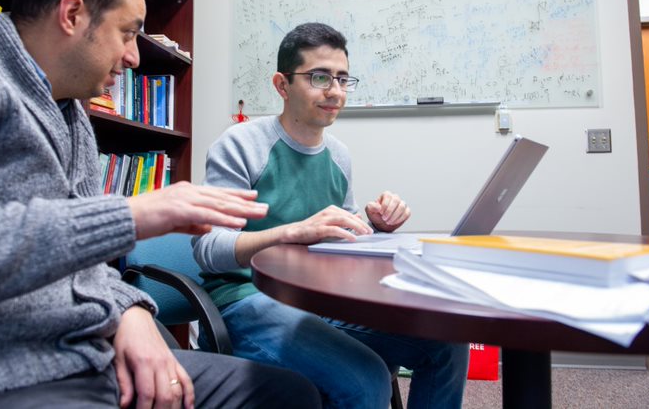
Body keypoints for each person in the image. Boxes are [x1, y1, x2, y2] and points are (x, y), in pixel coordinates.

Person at [0, 0, 322, 409]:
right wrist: (127, 215)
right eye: (128, 33)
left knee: (287, 393)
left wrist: (131, 311)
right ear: (72, 14)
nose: (135, 56)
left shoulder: (71, 113)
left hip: (81, 351)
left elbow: (83, 262)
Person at [194, 22, 470, 408]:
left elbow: (342, 245)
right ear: (282, 84)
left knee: (447, 345)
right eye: (319, 77)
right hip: (245, 301)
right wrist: (292, 232)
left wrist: (375, 226)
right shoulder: (241, 144)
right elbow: (208, 247)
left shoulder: (338, 155)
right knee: (366, 379)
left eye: (342, 79)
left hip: (318, 301)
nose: (335, 92)